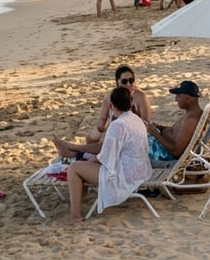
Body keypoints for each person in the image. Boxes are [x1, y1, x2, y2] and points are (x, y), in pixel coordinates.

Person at [65, 86, 151, 223]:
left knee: (74, 168)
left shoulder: (118, 125)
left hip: (125, 175)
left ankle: (75, 215)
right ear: (131, 103)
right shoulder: (137, 120)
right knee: (83, 164)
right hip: (141, 170)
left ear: (111, 106)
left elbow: (106, 158)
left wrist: (89, 163)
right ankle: (80, 198)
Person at [52, 65, 153, 156]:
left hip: (132, 129)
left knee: (107, 144)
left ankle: (74, 150)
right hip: (113, 125)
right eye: (124, 81)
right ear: (117, 81)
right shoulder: (111, 96)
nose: (128, 84)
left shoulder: (140, 97)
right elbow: (103, 118)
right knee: (91, 139)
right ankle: (80, 152)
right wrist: (102, 127)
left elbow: (146, 123)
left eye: (131, 80)